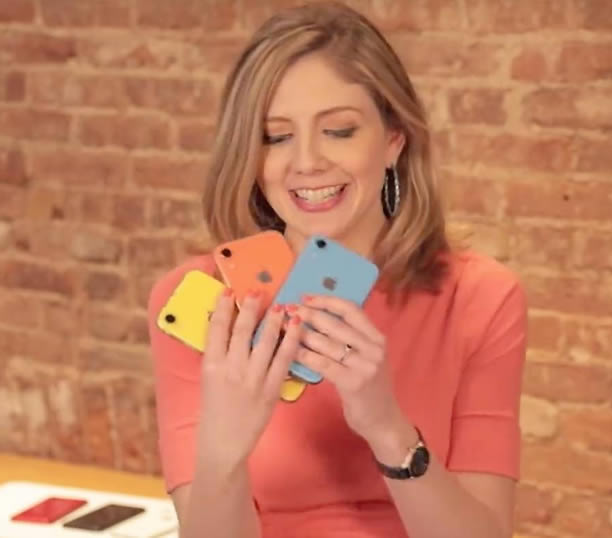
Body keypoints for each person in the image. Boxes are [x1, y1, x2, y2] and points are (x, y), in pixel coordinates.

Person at [146, 3, 527, 537]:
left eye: (339, 130)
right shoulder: (201, 300)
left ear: (394, 139)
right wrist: (222, 452)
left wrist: (387, 428)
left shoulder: (480, 297)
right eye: (276, 137)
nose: (307, 162)